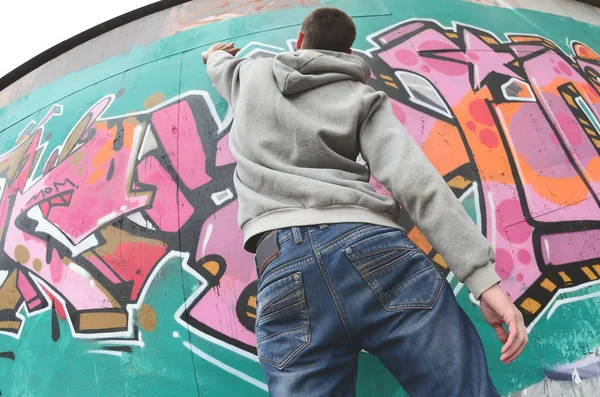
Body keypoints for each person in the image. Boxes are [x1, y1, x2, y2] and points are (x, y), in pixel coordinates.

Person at [203, 7, 528, 396]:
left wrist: (215, 55)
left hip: (281, 262)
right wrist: (484, 282)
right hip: (372, 247)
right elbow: (417, 184)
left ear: (301, 40)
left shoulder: (250, 76)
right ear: (348, 52)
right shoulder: (361, 97)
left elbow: (220, 65)